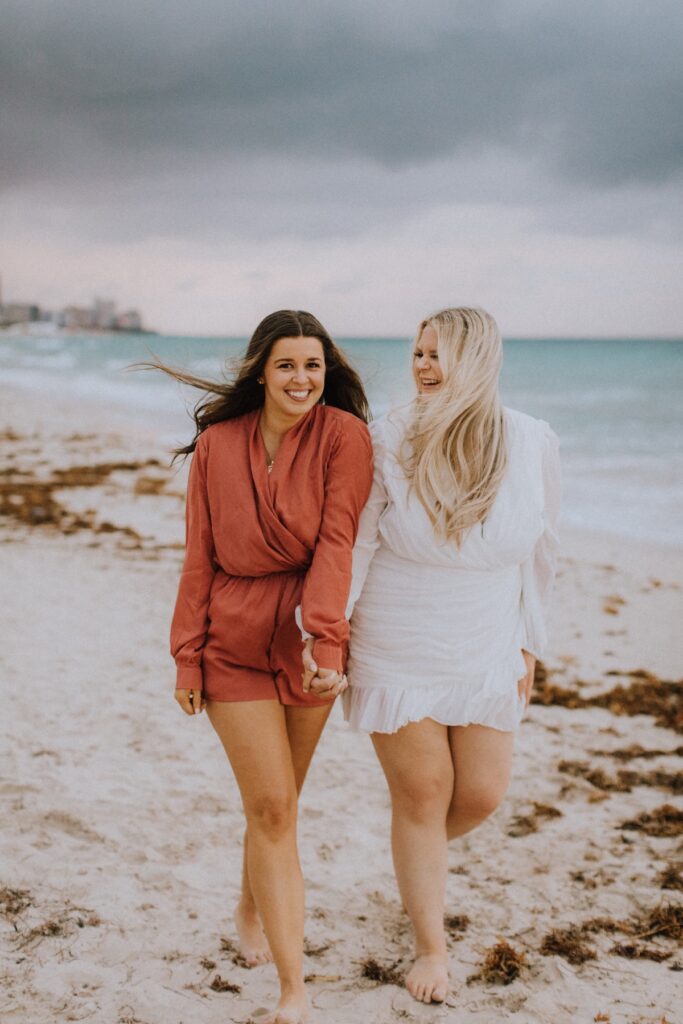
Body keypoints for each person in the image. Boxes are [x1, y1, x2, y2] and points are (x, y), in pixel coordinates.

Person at [304, 306, 560, 1005]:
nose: (421, 365)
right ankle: (429, 945)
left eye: (436, 353)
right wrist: (328, 631)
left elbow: (541, 555)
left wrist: (530, 642)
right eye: (416, 352)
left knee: (479, 793)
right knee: (421, 795)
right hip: (398, 635)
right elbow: (351, 542)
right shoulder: (384, 439)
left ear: (475, 360)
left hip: (486, 641)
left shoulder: (532, 441)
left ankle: (416, 864)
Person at [167, 310, 373, 1024]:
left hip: (304, 641)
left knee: (279, 804)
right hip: (231, 638)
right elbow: (198, 556)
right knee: (273, 807)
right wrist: (186, 657)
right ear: (261, 370)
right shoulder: (215, 445)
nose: (301, 379)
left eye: (313, 366)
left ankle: (247, 906)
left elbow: (337, 544)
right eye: (286, 365)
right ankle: (294, 990)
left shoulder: (346, 438)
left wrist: (328, 644)